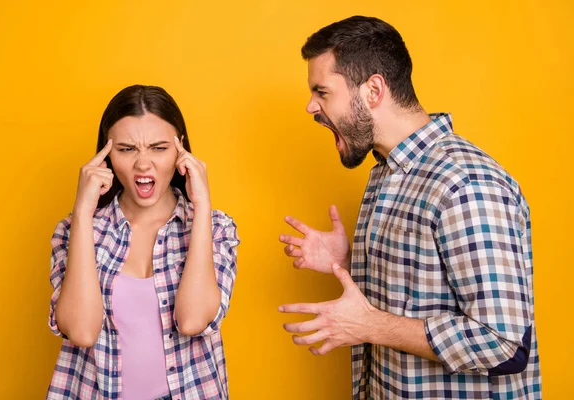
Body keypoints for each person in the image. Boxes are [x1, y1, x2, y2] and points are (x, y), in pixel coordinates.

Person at [278, 16, 540, 399]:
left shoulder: (464, 184)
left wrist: (369, 327)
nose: (310, 107)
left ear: (373, 90)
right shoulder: (387, 173)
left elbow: (504, 343)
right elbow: (426, 290)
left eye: (322, 92)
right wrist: (351, 262)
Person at [47, 85, 240, 400]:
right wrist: (83, 211)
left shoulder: (216, 228)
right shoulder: (75, 231)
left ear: (182, 153)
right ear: (105, 156)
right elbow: (81, 332)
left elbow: (192, 321)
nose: (143, 164)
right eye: (126, 149)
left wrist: (202, 205)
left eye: (158, 148)